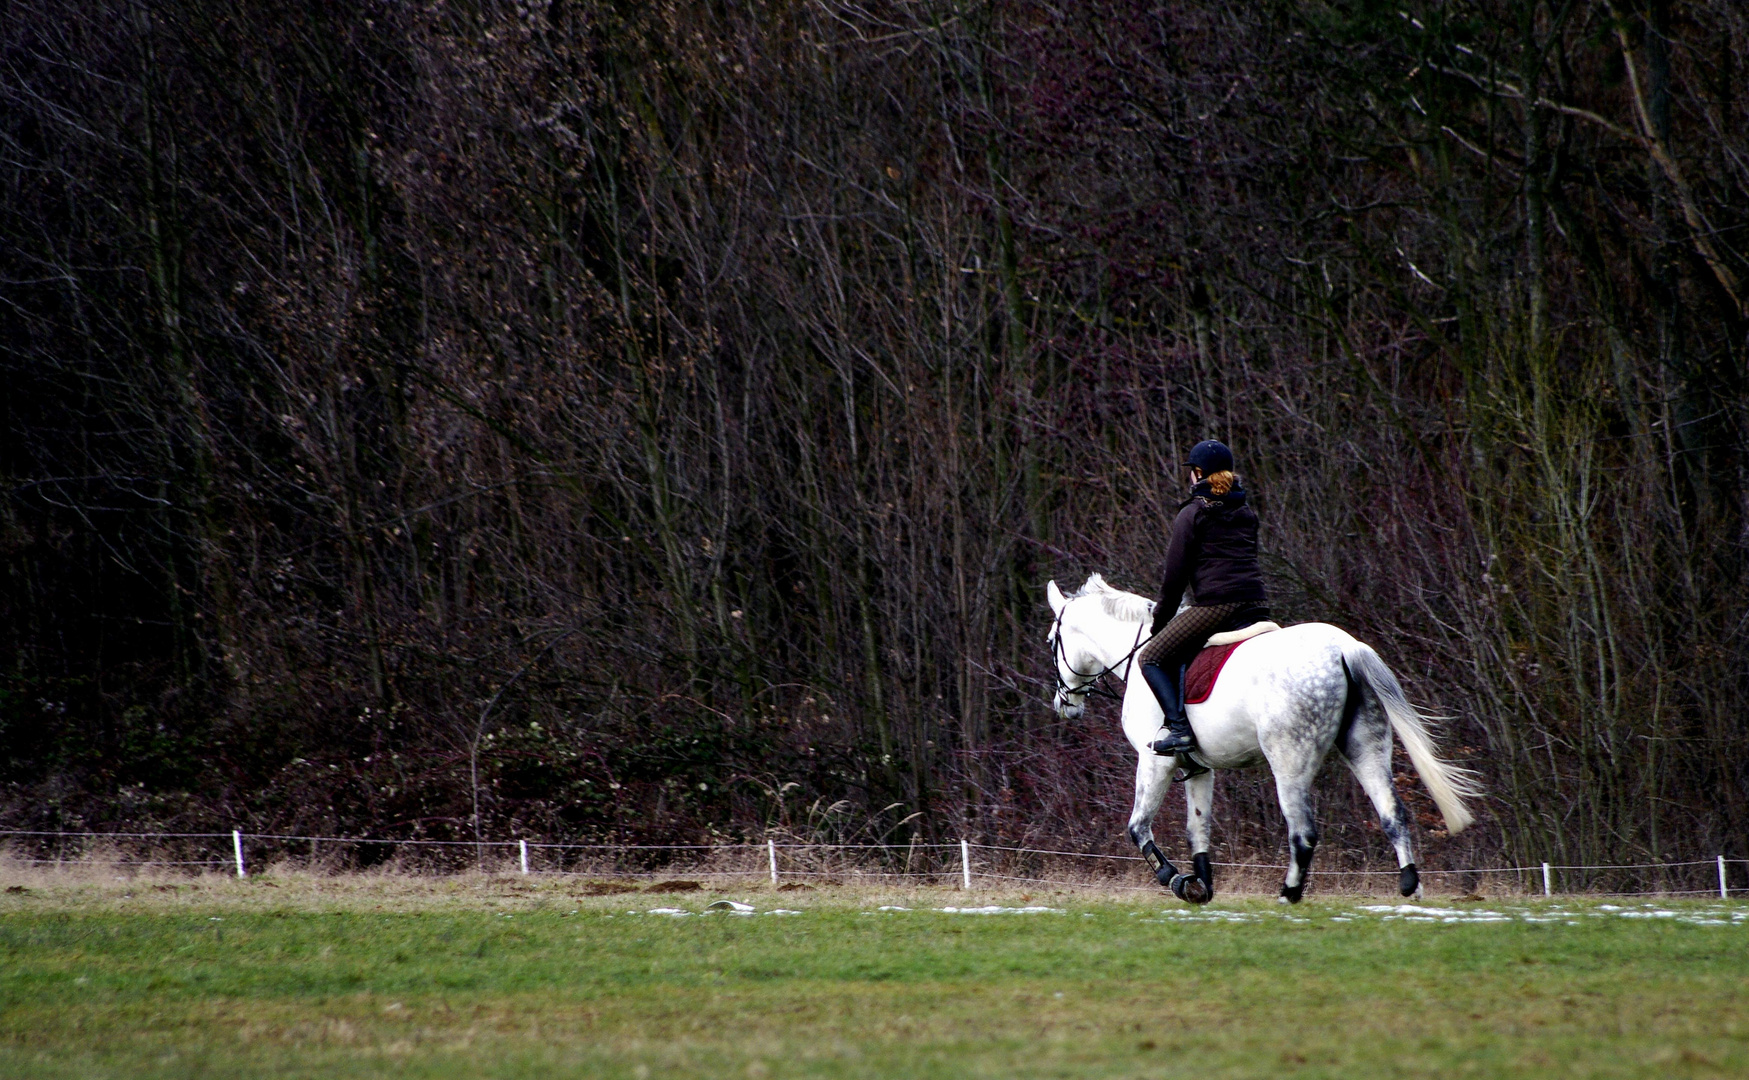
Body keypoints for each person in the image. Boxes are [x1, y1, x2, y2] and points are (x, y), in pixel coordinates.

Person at [1136, 440, 1271, 760]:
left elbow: (1174, 578)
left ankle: (1179, 729)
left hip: (1217, 605)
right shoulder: (1246, 510)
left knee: (1151, 658)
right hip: (1257, 602)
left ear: (1198, 474)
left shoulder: (1193, 513)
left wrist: (1161, 622)